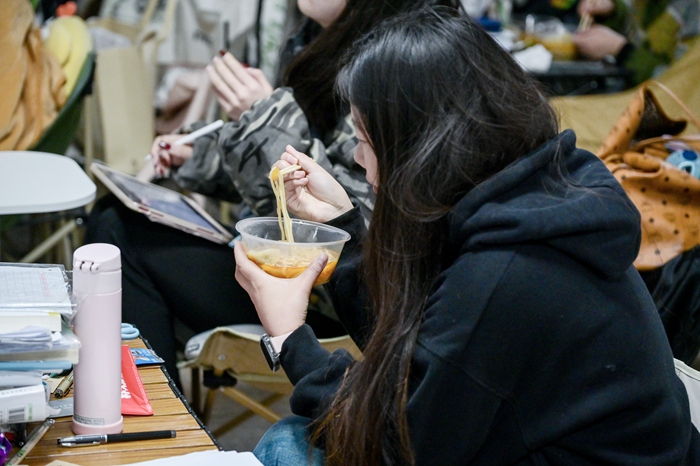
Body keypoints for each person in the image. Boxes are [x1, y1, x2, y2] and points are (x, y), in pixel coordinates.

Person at [233, 7, 700, 465]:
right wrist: (343, 225)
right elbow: (420, 351)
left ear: (416, 148)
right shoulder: (525, 199)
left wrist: (289, 337)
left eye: (364, 140)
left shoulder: (507, 270)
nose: (358, 158)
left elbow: (395, 445)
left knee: (289, 447)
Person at [84, 0, 461, 387]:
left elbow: (360, 225)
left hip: (343, 302)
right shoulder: (317, 43)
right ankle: (151, 410)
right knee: (113, 219)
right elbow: (292, 178)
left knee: (115, 231)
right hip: (296, 271)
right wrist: (199, 156)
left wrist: (266, 116)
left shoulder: (400, 64)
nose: (360, 150)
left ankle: (154, 412)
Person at [573, 0, 700, 86]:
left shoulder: (694, 10)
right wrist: (611, 11)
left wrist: (623, 50)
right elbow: (631, 21)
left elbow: (678, 83)